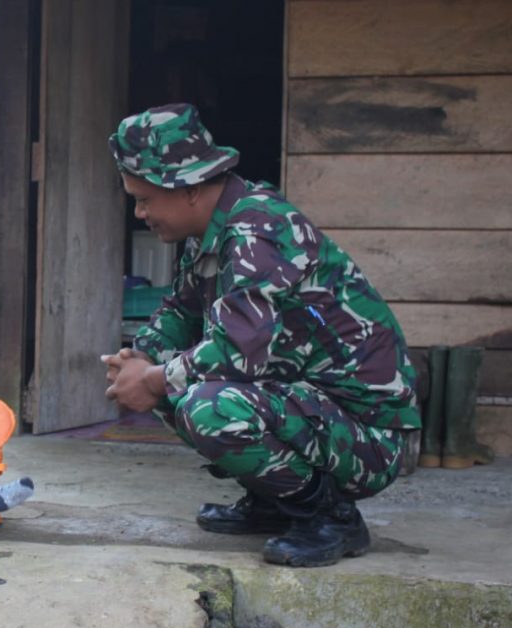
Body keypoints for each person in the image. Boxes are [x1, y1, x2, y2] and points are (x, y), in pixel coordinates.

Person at [101, 103, 420, 567]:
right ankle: (274, 500)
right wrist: (138, 357)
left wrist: (150, 378)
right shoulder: (214, 231)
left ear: (188, 188)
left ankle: (332, 518)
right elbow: (179, 310)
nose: (140, 212)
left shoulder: (258, 231)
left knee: (204, 405)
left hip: (368, 435)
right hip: (311, 407)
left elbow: (236, 350)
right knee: (174, 389)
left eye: (145, 198)